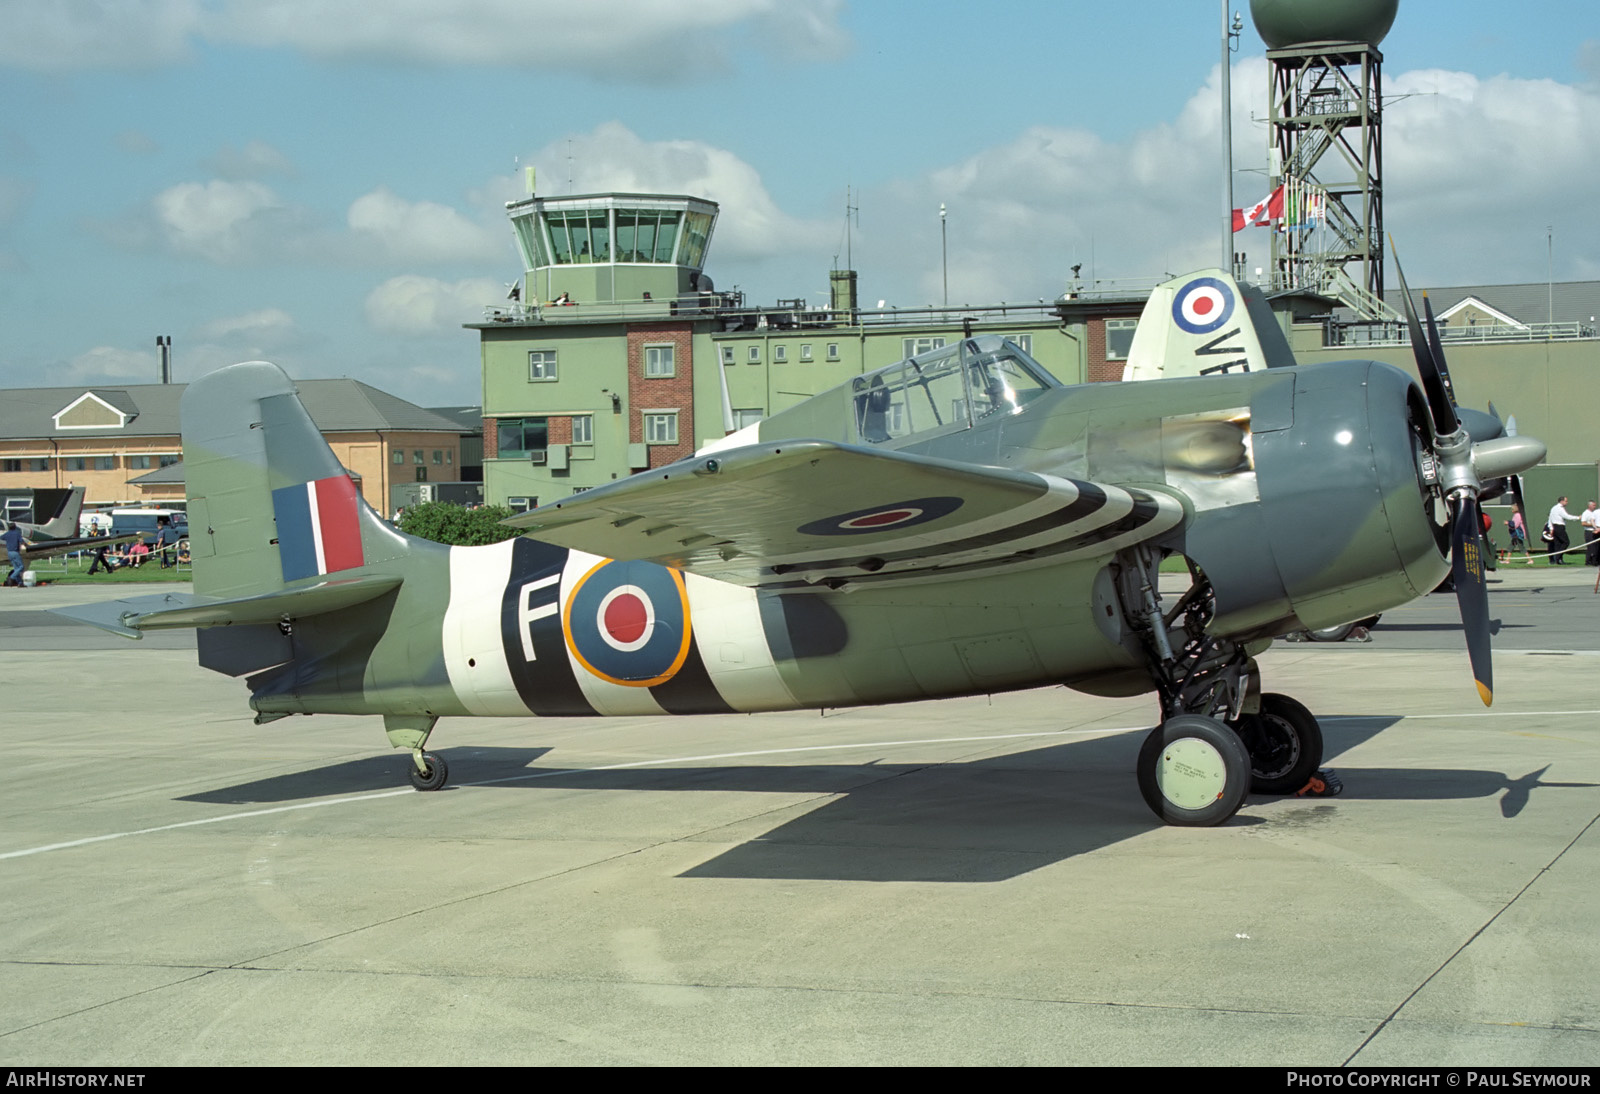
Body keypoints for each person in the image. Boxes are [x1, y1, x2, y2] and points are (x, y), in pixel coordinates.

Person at [1545, 496, 1581, 565]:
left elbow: (1550, 519)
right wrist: (1577, 518)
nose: (1567, 502)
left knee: (1558, 544)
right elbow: (1567, 516)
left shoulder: (1553, 508)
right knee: (1566, 542)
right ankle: (1558, 557)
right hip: (1559, 527)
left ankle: (1559, 560)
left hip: (1555, 527)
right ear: (1561, 501)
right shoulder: (1560, 509)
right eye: (1566, 501)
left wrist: (1551, 528)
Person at [3, 521, 24, 587]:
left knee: (16, 568)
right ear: (15, 527)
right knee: (21, 567)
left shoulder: (6, 534)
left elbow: (1, 537)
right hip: (15, 552)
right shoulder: (17, 534)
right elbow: (22, 541)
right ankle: (11, 577)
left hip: (9, 553)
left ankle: (20, 583)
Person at [1582, 501, 1600, 567]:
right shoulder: (1586, 513)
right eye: (1593, 505)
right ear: (1589, 505)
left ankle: (1595, 560)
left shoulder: (1594, 512)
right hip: (1589, 531)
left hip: (1595, 530)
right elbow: (1583, 523)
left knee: (1596, 547)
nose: (1594, 507)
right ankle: (1588, 561)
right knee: (1591, 547)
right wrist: (1594, 526)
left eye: (1595, 505)